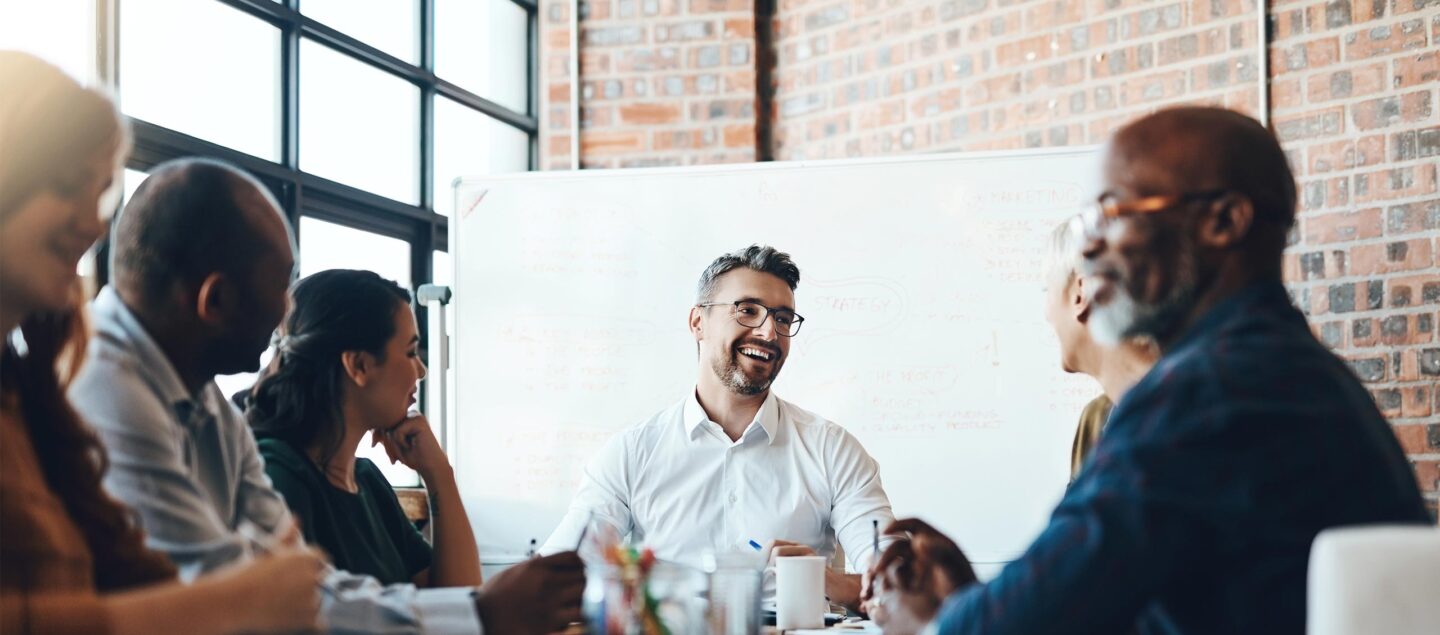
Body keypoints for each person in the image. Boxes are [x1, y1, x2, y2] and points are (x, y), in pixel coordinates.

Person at [868, 106, 1431, 635]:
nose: (1088, 247)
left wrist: (930, 621)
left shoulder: (1208, 392)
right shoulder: (1286, 371)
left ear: (1223, 221)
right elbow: (1085, 598)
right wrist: (968, 595)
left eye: (1112, 213)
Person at [69, 156, 585, 635]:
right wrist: (479, 613)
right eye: (280, 285)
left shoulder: (210, 408)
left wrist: (477, 612)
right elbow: (226, 594)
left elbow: (304, 589)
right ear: (216, 300)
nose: (284, 316)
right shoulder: (109, 394)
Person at [0, 50, 323, 635]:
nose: (92, 222)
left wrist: (251, 592)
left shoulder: (30, 393)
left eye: (98, 195)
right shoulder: (92, 384)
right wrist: (240, 599)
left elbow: (133, 572)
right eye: (66, 186)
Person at [543, 244, 895, 609]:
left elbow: (901, 587)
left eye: (783, 319)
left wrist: (822, 579)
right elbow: (552, 580)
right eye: (747, 311)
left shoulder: (832, 449)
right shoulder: (632, 453)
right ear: (698, 322)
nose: (769, 332)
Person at [246, 269, 482, 589]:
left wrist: (439, 473)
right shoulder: (276, 473)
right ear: (358, 365)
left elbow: (459, 602)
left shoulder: (367, 481)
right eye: (411, 353)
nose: (421, 371)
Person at [1041, 217, 1158, 480]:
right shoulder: (1095, 421)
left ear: (1080, 294)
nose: (1046, 314)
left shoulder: (1191, 415)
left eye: (1047, 290)